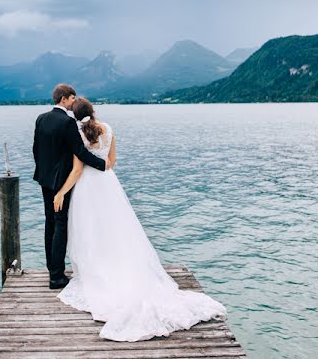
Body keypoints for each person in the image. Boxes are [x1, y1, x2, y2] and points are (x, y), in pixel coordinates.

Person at [53, 97, 227, 342]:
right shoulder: (108, 129)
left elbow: (77, 169)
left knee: (90, 232)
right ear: (93, 111)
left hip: (85, 189)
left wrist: (61, 192)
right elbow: (111, 162)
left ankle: (96, 270)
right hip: (107, 185)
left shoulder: (78, 135)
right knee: (116, 229)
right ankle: (121, 266)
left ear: (74, 114)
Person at [32, 84, 112, 289]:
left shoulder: (41, 118)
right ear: (65, 99)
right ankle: (56, 276)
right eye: (72, 99)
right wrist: (102, 164)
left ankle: (52, 267)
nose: (73, 102)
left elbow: (36, 149)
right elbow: (81, 153)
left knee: (49, 221)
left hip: (44, 178)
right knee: (60, 224)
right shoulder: (67, 122)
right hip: (61, 181)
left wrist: (44, 173)